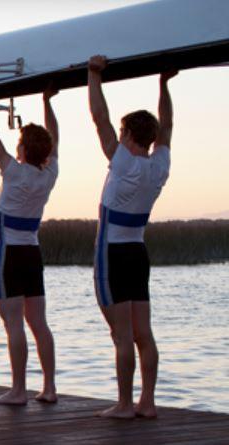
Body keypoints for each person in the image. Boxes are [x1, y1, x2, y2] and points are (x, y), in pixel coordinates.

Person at [87, 55, 176, 419]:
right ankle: (148, 403)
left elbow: (98, 118)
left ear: (126, 136)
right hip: (138, 254)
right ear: (150, 139)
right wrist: (164, 83)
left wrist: (93, 75)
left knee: (122, 335)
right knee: (144, 334)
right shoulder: (159, 167)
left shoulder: (122, 162)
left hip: (112, 255)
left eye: (121, 133)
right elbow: (168, 125)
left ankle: (124, 405)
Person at [0, 75, 59, 405]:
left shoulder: (13, 171)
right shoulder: (50, 174)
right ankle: (49, 388)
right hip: (32, 255)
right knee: (39, 323)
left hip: (8, 256)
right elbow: (56, 140)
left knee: (14, 325)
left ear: (22, 150)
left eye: (20, 143)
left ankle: (19, 390)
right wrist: (47, 101)